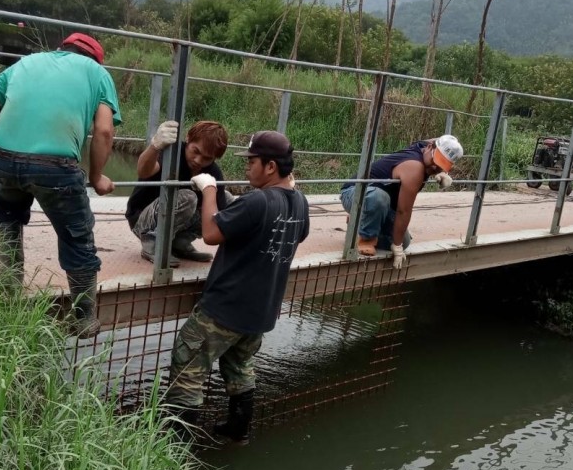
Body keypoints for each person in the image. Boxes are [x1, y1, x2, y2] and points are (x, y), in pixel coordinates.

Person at [0, 32, 121, 336]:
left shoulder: (28, 62)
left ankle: (9, 300)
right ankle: (83, 318)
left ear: (61, 50)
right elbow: (104, 131)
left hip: (2, 159)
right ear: (95, 59)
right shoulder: (98, 73)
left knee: (7, 222)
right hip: (55, 166)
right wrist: (96, 177)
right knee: (76, 236)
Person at [166, 130, 310, 444]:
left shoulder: (257, 199)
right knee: (240, 364)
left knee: (187, 368)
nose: (247, 168)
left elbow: (211, 234)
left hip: (225, 308)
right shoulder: (299, 201)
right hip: (259, 312)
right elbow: (299, 236)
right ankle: (238, 431)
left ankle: (173, 450)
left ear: (270, 167)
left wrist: (209, 190)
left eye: (252, 162)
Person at [340, 134, 463, 269]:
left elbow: (440, 139)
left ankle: (359, 222)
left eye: (440, 166)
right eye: (435, 161)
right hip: (355, 193)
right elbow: (403, 211)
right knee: (379, 198)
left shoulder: (424, 147)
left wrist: (441, 172)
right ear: (429, 148)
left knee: (404, 241)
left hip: (380, 205)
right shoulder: (415, 168)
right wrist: (397, 248)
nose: (435, 168)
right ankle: (367, 238)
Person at [125, 120, 229, 265]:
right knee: (189, 197)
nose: (199, 160)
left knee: (227, 200)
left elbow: (220, 218)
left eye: (207, 158)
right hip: (143, 220)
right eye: (196, 151)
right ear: (188, 139)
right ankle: (151, 242)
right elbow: (144, 171)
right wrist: (155, 146)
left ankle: (180, 242)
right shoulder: (171, 153)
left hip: (176, 225)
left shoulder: (213, 172)